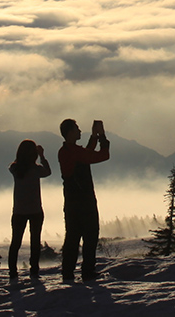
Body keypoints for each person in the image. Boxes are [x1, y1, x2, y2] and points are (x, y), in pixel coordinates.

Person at [57, 118, 110, 283]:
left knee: (72, 236)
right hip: (84, 200)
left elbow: (86, 154)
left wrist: (94, 136)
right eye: (77, 129)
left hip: (71, 200)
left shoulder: (65, 151)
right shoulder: (75, 152)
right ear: (71, 132)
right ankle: (88, 272)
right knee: (90, 235)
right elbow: (102, 155)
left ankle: (68, 272)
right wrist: (101, 136)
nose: (80, 131)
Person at [8, 139, 51, 281]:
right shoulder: (36, 170)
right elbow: (48, 172)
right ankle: (34, 271)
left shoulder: (15, 169)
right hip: (35, 211)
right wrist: (42, 156)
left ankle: (13, 272)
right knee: (35, 241)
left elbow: (14, 165)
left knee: (16, 242)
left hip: (19, 211)